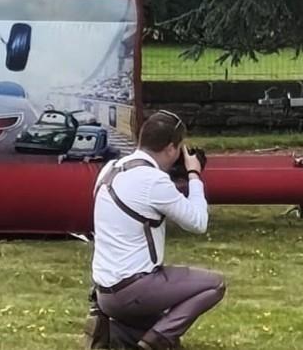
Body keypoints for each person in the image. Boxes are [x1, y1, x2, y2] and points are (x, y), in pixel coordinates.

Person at [87, 112, 226, 350]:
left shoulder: (110, 168)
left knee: (166, 338)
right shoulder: (154, 181)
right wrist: (194, 174)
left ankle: (113, 329)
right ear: (171, 149)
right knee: (214, 284)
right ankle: (154, 342)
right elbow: (198, 222)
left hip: (104, 293)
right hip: (133, 291)